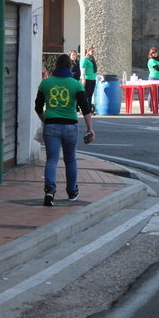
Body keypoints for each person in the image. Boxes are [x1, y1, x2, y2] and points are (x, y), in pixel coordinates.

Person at [36, 54, 95, 206]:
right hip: (70, 126)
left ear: (55, 66)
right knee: (70, 160)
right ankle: (71, 191)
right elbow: (85, 108)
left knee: (52, 159)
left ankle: (49, 190)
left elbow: (38, 107)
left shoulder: (45, 83)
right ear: (70, 67)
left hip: (51, 125)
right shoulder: (76, 85)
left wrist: (46, 120)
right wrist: (90, 129)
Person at [147, 47, 159, 112]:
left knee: (157, 93)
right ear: (151, 54)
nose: (155, 54)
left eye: (156, 52)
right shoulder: (151, 60)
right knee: (152, 93)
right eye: (153, 53)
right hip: (153, 78)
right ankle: (150, 106)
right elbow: (158, 68)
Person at [79, 46, 97, 114]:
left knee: (90, 95)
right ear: (88, 51)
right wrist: (83, 79)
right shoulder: (85, 59)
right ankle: (83, 109)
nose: (93, 52)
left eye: (93, 51)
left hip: (92, 78)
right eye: (92, 51)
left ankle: (89, 109)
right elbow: (82, 69)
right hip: (86, 78)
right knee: (85, 95)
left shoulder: (92, 59)